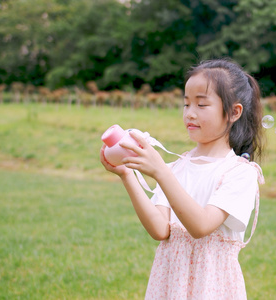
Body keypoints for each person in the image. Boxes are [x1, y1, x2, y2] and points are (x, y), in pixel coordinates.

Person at [100, 58, 265, 299]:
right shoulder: (178, 167)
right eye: (186, 104)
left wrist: (160, 171)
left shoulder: (240, 172)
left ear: (233, 112)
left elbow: (201, 226)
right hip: (170, 282)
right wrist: (127, 175)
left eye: (201, 104)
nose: (190, 113)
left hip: (211, 286)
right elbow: (160, 229)